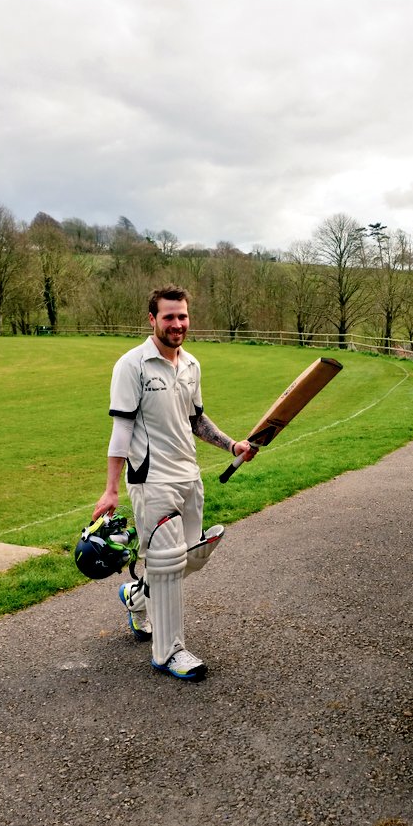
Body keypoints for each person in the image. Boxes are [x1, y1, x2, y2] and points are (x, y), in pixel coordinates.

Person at [92, 285, 257, 682]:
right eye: (169, 317)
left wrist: (231, 444)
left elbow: (196, 420)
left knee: (188, 559)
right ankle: (168, 652)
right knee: (166, 566)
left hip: (189, 475)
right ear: (152, 320)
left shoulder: (192, 365)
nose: (177, 324)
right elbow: (121, 430)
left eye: (182, 316)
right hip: (152, 481)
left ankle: (135, 595)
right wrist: (112, 488)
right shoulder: (132, 366)